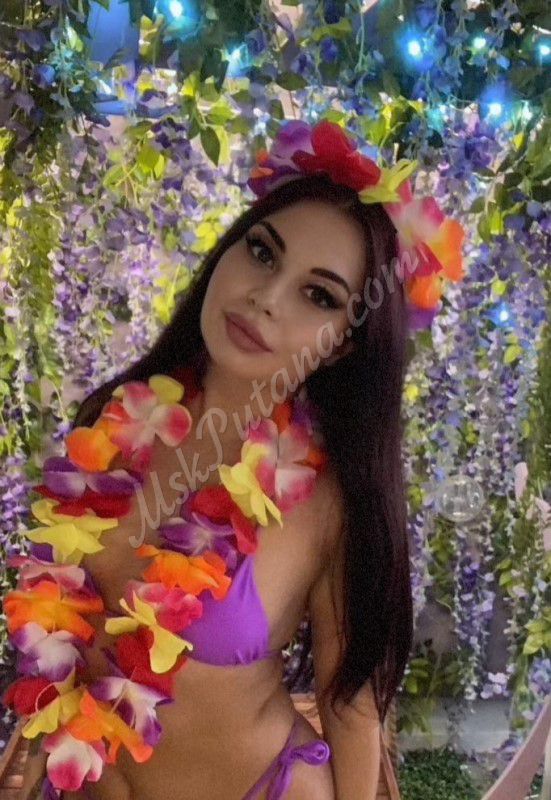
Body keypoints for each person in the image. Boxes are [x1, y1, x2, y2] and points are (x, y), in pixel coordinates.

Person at [11, 119, 465, 800]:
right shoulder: (114, 423)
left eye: (318, 295)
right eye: (261, 252)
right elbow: (60, 637)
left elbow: (350, 704)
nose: (265, 298)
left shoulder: (328, 500)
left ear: (343, 344)